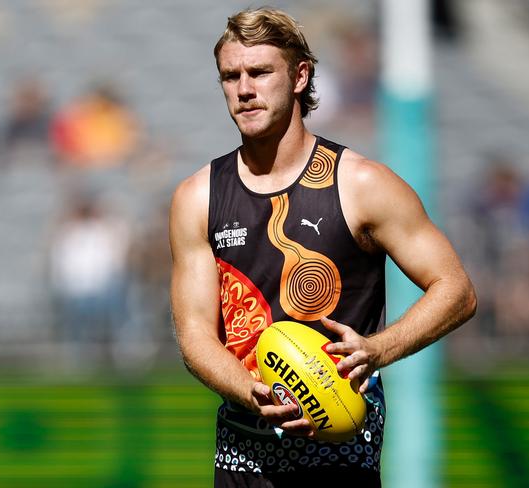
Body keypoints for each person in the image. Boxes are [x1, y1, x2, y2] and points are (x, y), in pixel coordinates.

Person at [169, 7, 476, 487]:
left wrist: (376, 349)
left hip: (341, 462)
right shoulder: (198, 198)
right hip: (241, 464)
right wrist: (253, 393)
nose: (244, 88)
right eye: (230, 76)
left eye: (260, 72)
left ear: (300, 76)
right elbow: (195, 337)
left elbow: (456, 289)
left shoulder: (362, 185)